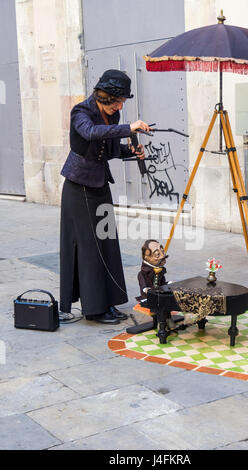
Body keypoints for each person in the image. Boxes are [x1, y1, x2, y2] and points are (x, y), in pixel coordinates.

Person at [60, 69, 150, 324]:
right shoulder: (81, 112)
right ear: (104, 96)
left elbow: (109, 149)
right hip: (79, 187)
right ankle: (95, 309)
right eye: (117, 101)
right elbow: (90, 133)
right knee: (90, 247)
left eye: (122, 102)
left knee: (107, 243)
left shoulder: (113, 115)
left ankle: (108, 303)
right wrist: (127, 128)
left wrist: (132, 151)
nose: (120, 106)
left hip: (99, 184)